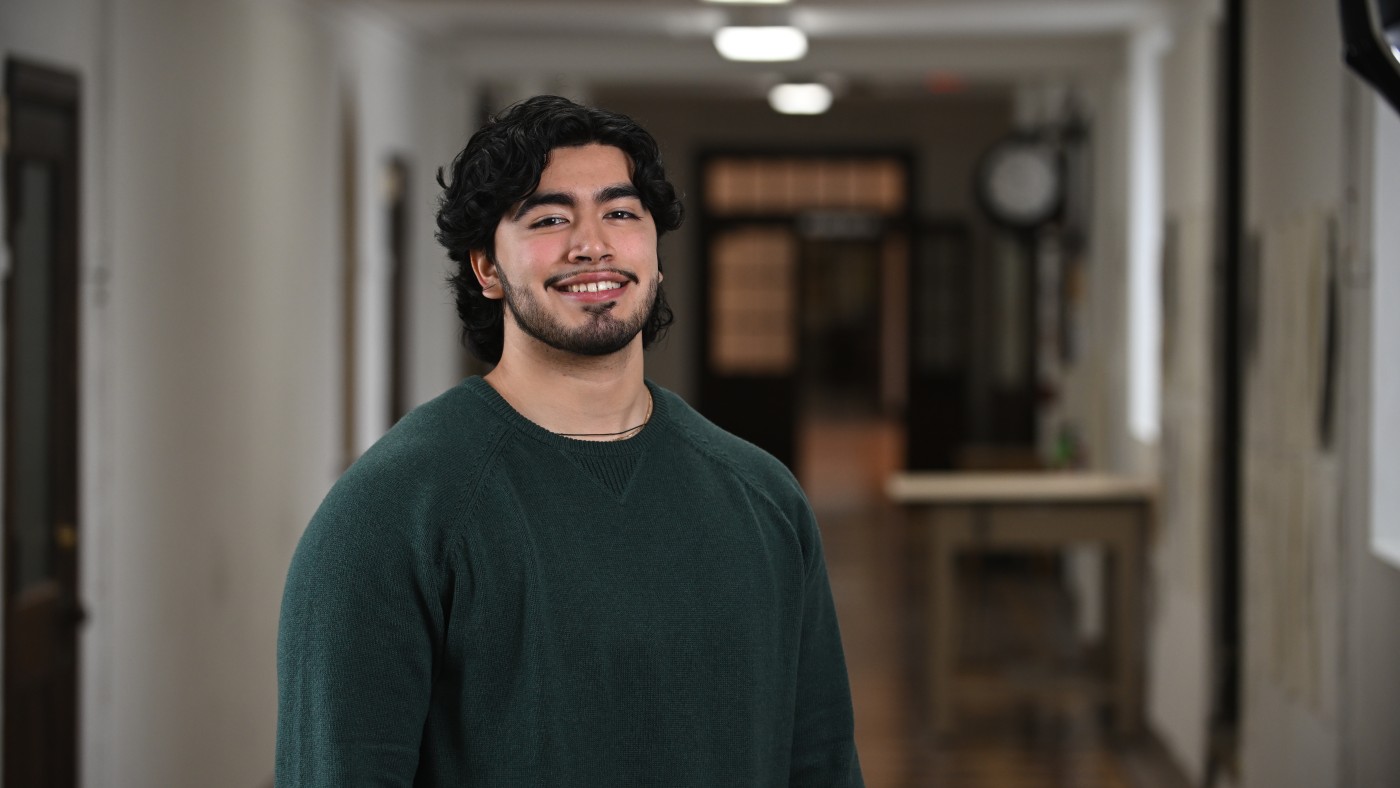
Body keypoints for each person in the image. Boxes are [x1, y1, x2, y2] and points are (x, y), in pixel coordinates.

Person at [276, 95, 864, 787]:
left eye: (621, 213)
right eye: (550, 218)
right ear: (486, 269)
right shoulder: (390, 513)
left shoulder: (764, 497)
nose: (594, 243)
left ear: (655, 252)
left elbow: (822, 765)